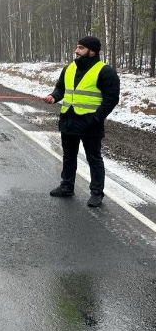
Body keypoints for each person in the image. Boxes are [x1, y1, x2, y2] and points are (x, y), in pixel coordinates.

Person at [43, 36, 120, 207]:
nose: (76, 51)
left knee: (94, 158)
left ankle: (97, 193)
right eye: (77, 47)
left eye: (81, 48)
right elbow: (61, 88)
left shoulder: (105, 71)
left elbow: (111, 99)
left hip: (90, 123)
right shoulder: (69, 68)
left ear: (92, 51)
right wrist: (53, 97)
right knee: (69, 156)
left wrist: (97, 118)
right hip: (69, 120)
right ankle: (66, 186)